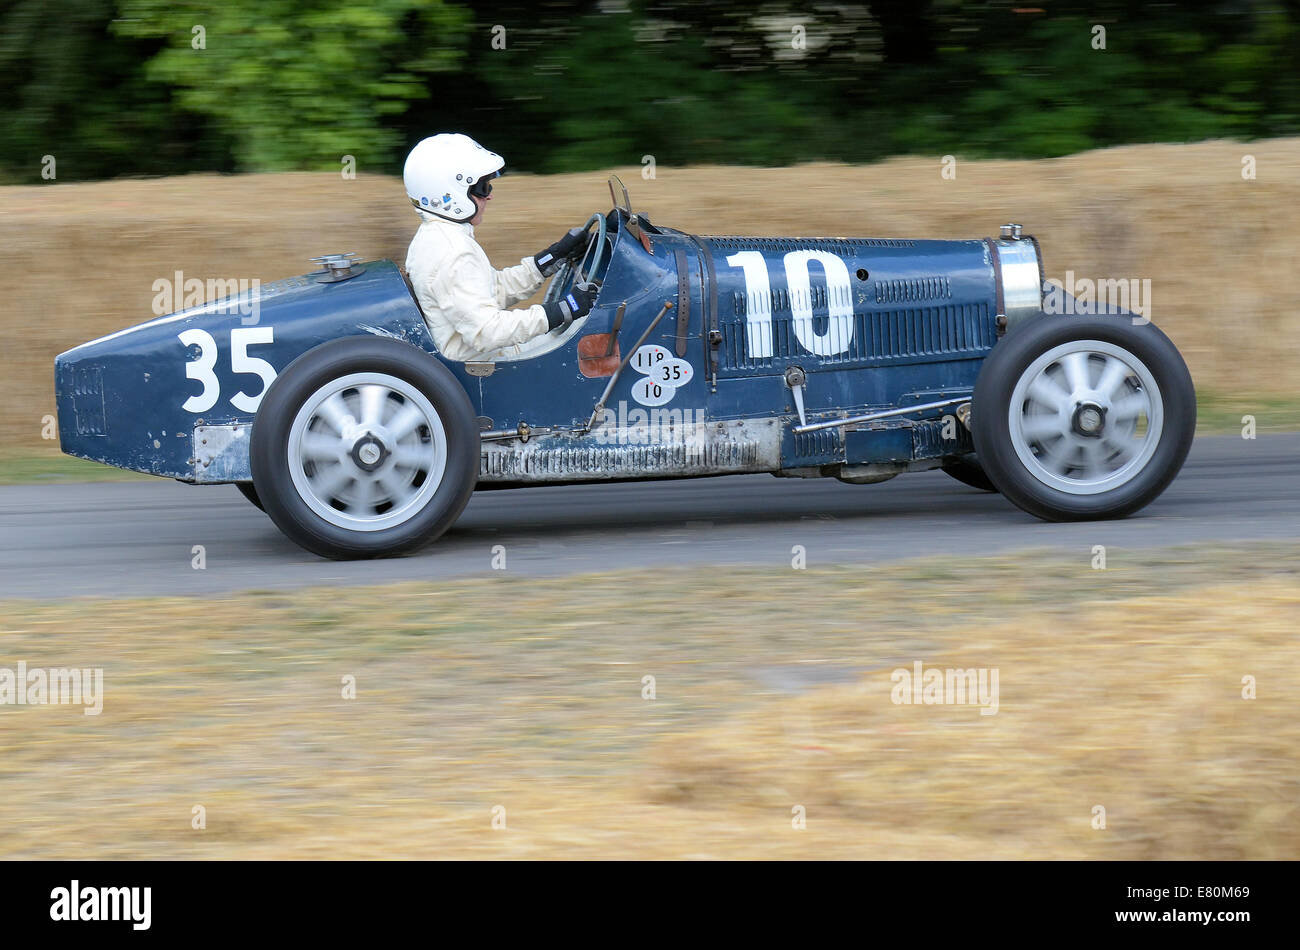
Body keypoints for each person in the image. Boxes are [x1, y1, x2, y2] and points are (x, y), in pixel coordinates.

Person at [402, 133, 596, 362]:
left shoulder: (436, 238)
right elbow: (486, 333)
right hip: (486, 365)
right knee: (596, 344)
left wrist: (549, 259)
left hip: (481, 358)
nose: (490, 195)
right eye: (482, 188)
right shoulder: (453, 252)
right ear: (449, 194)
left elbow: (491, 290)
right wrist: (565, 309)